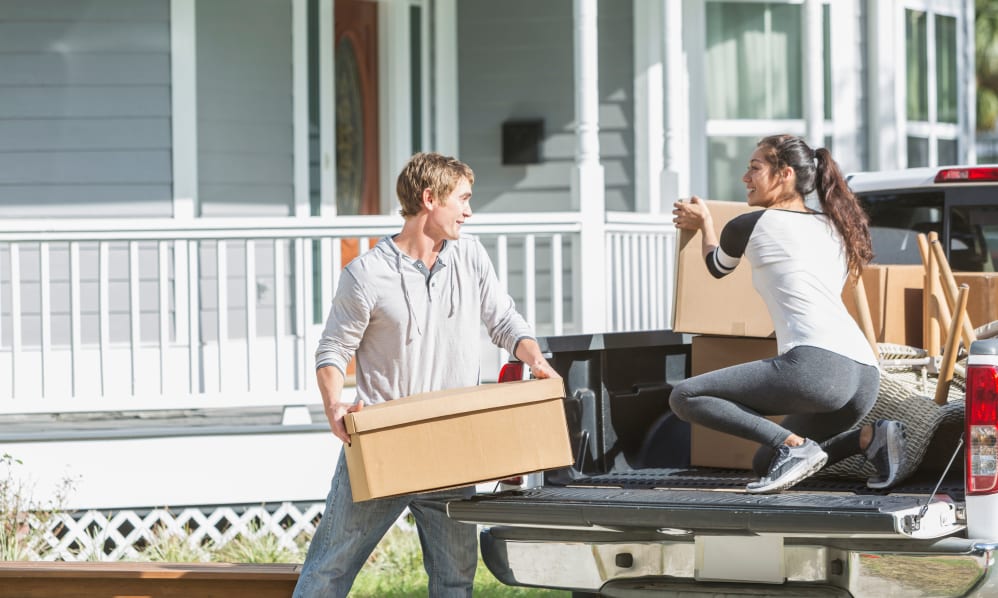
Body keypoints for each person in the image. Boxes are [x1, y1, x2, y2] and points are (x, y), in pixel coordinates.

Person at [293, 152, 559, 598]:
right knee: (328, 571)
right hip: (384, 443)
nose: (469, 212)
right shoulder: (366, 274)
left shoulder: (469, 254)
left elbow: (504, 321)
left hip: (454, 444)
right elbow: (334, 350)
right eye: (463, 199)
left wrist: (537, 361)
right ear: (430, 198)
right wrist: (333, 404)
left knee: (455, 579)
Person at [668, 134, 906, 494]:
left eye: (754, 168)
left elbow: (717, 267)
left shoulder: (750, 224)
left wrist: (705, 223)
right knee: (766, 462)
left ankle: (796, 447)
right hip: (864, 374)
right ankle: (870, 438)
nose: (745, 178)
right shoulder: (835, 228)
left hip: (818, 369)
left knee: (685, 396)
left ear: (785, 174)